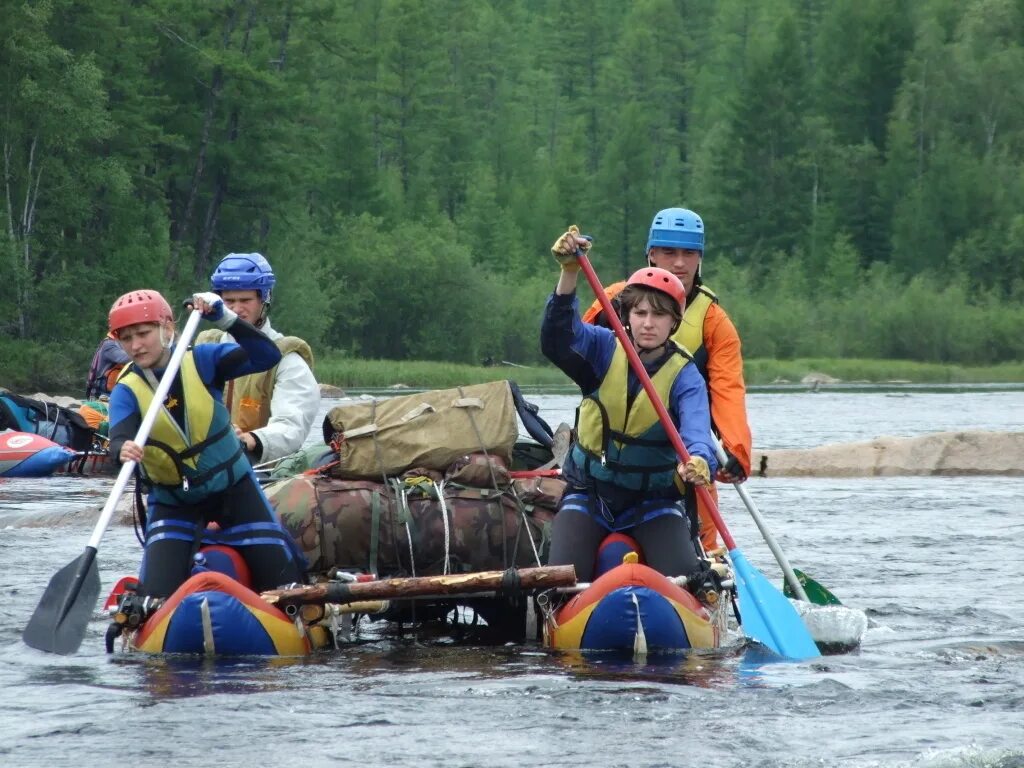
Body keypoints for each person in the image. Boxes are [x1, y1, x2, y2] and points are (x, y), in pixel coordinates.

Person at [541, 225, 718, 588]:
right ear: (627, 316)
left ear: (674, 322)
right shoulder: (603, 347)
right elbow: (556, 339)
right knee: (559, 584)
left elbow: (698, 433)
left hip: (653, 502)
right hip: (590, 495)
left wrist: (700, 460)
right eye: (639, 313)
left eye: (658, 315)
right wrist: (568, 273)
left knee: (688, 582)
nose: (648, 324)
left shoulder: (686, 376)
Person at [106, 289, 306, 598]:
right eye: (126, 338)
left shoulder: (201, 360)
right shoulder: (126, 390)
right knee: (153, 599)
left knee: (285, 588)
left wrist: (225, 319)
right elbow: (118, 440)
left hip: (234, 490)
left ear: (167, 329)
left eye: (143, 333)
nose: (135, 345)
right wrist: (122, 450)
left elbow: (266, 356)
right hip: (173, 501)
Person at [581, 208, 752, 552]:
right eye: (669, 253)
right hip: (614, 449)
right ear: (651, 255)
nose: (679, 263)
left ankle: (704, 577)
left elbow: (728, 388)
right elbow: (578, 352)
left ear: (700, 258)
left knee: (702, 531)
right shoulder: (614, 299)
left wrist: (735, 447)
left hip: (682, 454)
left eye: (689, 253)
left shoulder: (714, 321)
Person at [194, 253, 320, 465]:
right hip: (206, 466)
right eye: (229, 301)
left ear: (264, 298)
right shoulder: (205, 347)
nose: (236, 309)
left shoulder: (288, 359)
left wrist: (251, 440)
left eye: (245, 300)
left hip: (262, 470)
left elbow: (291, 425)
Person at [85, 331, 131, 399]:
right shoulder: (109, 345)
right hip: (102, 395)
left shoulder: (122, 343)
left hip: (115, 393)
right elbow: (124, 358)